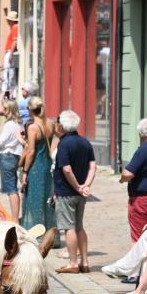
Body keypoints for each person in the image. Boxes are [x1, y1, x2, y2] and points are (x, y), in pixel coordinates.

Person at [50, 110, 96, 274]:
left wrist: (77, 186)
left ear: (61, 125)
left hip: (66, 191)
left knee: (69, 227)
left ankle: (73, 262)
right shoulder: (85, 142)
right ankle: (85, 261)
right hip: (80, 193)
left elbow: (67, 169)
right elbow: (92, 166)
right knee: (79, 227)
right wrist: (86, 185)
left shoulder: (64, 144)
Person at [19, 97, 56, 234]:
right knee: (47, 199)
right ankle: (49, 232)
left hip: (36, 167)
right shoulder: (51, 124)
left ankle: (36, 233)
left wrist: (25, 171)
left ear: (30, 110)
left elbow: (31, 151)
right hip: (47, 165)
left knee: (34, 200)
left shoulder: (33, 127)